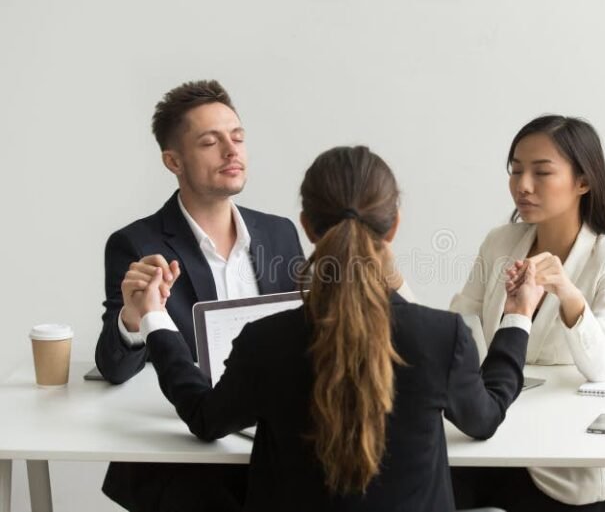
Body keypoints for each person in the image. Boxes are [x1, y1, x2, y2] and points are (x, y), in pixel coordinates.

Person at [128, 145, 543, 511]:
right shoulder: (441, 336)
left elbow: (206, 418)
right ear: (393, 226)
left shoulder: (265, 340)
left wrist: (154, 319)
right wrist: (518, 315)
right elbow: (484, 419)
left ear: (307, 225)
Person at [95, 80, 304, 511]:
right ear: (173, 161)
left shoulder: (279, 232)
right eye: (210, 142)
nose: (231, 151)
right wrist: (134, 319)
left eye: (238, 138)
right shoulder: (136, 244)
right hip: (186, 455)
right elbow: (114, 368)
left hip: (273, 439)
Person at [450, 116, 605, 512]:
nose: (522, 185)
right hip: (488, 443)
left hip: (565, 464)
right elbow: (462, 324)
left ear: (583, 182)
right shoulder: (500, 242)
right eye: (516, 170)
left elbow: (602, 364)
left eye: (541, 172)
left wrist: (569, 295)